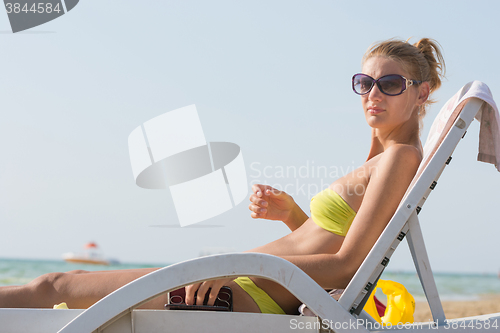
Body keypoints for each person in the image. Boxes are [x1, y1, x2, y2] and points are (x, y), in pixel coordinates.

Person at [0, 38, 445, 315]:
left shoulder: (400, 156)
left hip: (249, 290)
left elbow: (347, 265)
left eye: (390, 84)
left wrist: (233, 266)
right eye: (364, 83)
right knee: (59, 285)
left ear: (421, 93)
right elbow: (334, 242)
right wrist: (293, 215)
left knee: (54, 287)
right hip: (246, 279)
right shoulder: (381, 154)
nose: (372, 94)